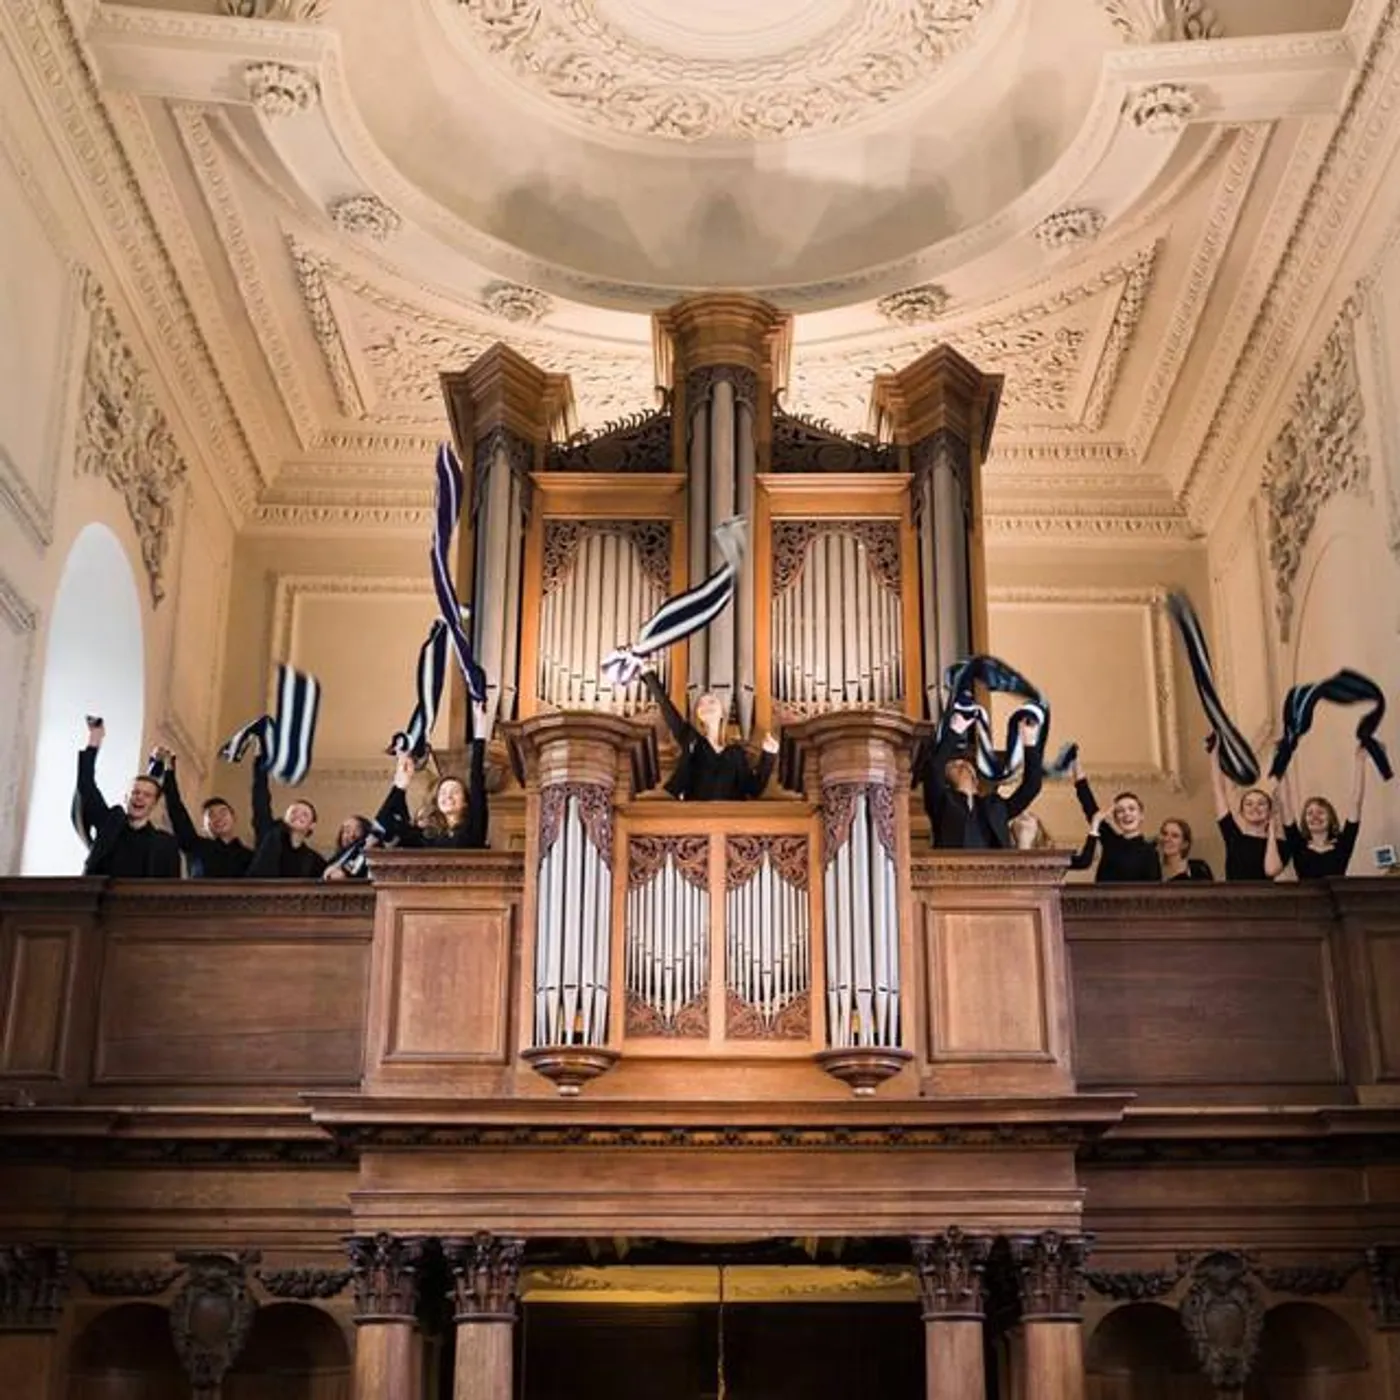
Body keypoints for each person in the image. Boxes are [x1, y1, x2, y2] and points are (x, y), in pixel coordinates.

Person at [640, 665, 778, 801]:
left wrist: (769, 755)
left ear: (722, 713)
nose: (706, 706)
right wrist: (648, 674)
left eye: (711, 701)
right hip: (694, 816)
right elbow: (667, 708)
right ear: (698, 715)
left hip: (730, 818)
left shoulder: (736, 752)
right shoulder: (691, 739)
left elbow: (754, 789)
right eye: (701, 704)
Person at [75, 718, 181, 878]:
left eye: (147, 795)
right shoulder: (109, 823)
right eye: (135, 793)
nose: (139, 798)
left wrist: (163, 767)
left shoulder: (166, 844)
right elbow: (86, 786)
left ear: (154, 803)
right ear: (126, 797)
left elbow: (171, 890)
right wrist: (95, 740)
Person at [375, 703, 491, 848]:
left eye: (454, 792)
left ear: (466, 802)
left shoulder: (474, 829)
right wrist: (400, 785)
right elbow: (385, 820)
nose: (448, 796)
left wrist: (480, 731)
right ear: (436, 801)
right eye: (443, 792)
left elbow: (477, 779)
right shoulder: (426, 836)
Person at [920, 713, 1043, 849]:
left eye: (965, 763)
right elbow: (934, 767)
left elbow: (1032, 786)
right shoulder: (941, 802)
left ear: (976, 780)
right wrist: (955, 731)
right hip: (952, 868)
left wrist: (1030, 742)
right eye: (953, 764)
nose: (960, 763)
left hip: (993, 868)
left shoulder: (995, 806)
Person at [154, 747, 252, 879]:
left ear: (234, 817)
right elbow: (175, 808)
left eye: (223, 813)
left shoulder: (250, 856)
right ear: (204, 826)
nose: (218, 818)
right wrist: (169, 767)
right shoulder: (195, 846)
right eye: (211, 815)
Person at [1275, 746, 1368, 879]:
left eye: (1321, 812)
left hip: (1338, 899)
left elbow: (1356, 802)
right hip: (1306, 899)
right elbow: (1285, 803)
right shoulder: (1297, 843)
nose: (1315, 817)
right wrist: (1282, 761)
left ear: (1330, 817)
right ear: (1304, 820)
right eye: (1310, 813)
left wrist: (1360, 762)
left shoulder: (1343, 844)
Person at [1073, 756, 1160, 882]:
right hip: (1100, 900)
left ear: (1141, 815)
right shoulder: (1111, 840)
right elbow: (1089, 805)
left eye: (1131, 809)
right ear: (1115, 817)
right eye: (1120, 811)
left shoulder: (1150, 852)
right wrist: (1075, 762)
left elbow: (1153, 891)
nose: (1126, 814)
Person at [1208, 738, 1285, 881]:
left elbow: (1271, 870)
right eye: (1249, 804)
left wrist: (1272, 831)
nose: (1255, 808)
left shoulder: (1280, 844)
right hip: (1235, 899)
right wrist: (1213, 755)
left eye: (1261, 804)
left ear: (1269, 811)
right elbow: (1218, 791)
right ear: (1242, 812)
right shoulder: (1233, 836)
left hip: (1265, 900)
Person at [246, 757, 326, 879]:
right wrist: (260, 763)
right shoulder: (268, 833)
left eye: (304, 814)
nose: (298, 815)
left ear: (312, 825)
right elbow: (260, 800)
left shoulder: (315, 861)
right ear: (285, 818)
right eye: (294, 812)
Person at [1158, 817, 1213, 882]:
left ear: (1185, 844)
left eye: (1175, 836)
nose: (1167, 839)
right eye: (1165, 834)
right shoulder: (1154, 869)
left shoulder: (1199, 869)